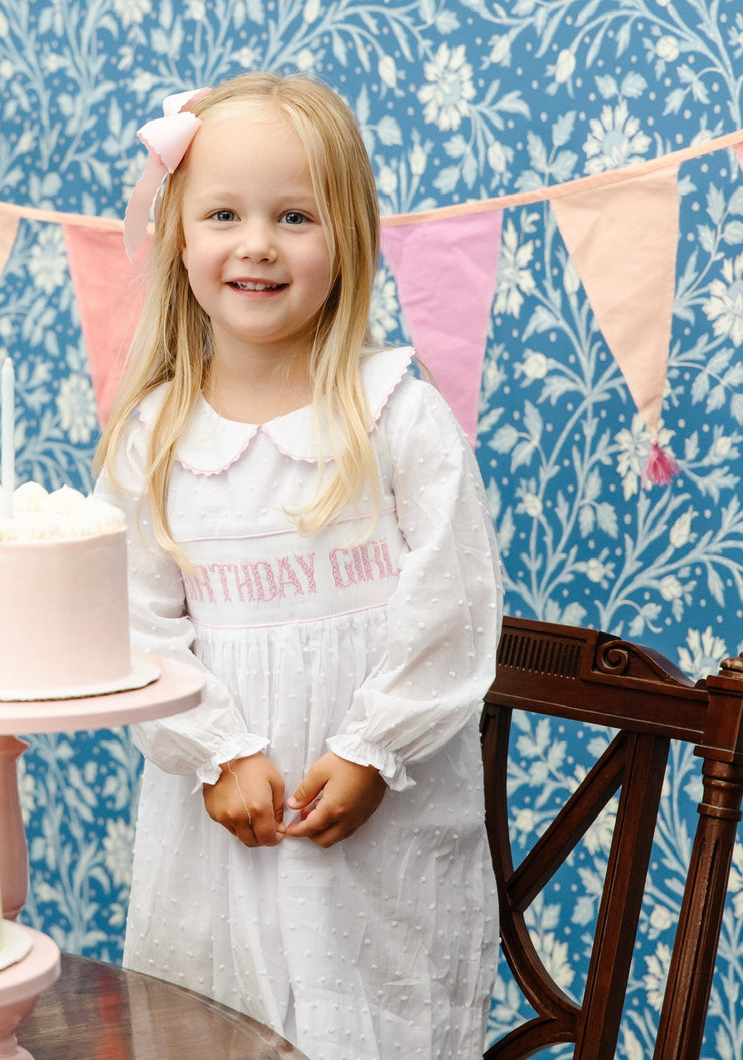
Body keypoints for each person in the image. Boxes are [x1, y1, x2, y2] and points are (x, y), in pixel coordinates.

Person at [93, 71, 503, 1059]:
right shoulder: (151, 440)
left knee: (373, 1025)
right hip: (216, 823)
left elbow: (450, 605)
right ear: (178, 235)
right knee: (213, 1025)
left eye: (294, 215)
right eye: (222, 213)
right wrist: (217, 747)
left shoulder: (393, 413)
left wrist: (373, 749)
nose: (257, 244)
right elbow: (131, 625)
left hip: (378, 820)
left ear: (347, 237)